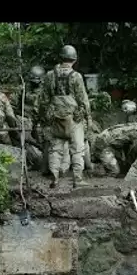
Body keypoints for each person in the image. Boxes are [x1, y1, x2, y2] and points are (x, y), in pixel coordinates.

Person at [39, 45, 92, 188]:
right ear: (74, 60)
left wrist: (44, 117)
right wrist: (88, 118)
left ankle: (55, 177)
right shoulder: (76, 76)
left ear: (61, 58)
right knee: (77, 148)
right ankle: (77, 179)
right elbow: (83, 100)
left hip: (55, 117)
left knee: (55, 148)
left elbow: (43, 99)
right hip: (73, 118)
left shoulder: (50, 75)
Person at [92, 100, 137, 176]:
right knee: (115, 171)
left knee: (120, 165)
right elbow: (132, 153)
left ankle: (100, 163)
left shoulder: (132, 126)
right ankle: (92, 168)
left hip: (110, 145)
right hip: (104, 146)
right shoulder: (135, 131)